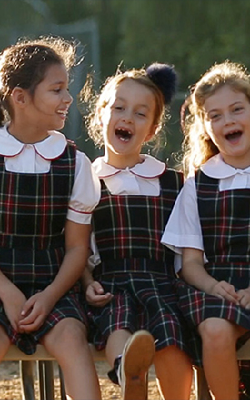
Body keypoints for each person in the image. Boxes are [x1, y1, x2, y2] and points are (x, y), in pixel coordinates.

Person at [0, 36, 102, 400]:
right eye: (57, 90)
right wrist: (9, 294)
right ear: (20, 97)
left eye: (67, 89)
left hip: (55, 284)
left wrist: (48, 297)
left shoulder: (75, 162)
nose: (68, 98)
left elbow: (77, 248)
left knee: (72, 340)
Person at [82, 63, 198, 400]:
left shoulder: (173, 182)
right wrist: (88, 285)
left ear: (151, 129)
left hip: (162, 282)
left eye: (140, 113)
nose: (127, 118)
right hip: (111, 281)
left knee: (171, 337)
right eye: (118, 108)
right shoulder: (87, 181)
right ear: (100, 115)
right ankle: (127, 371)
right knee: (116, 321)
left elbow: (185, 248)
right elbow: (77, 247)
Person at [162, 60, 250, 400]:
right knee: (214, 331)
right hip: (219, 288)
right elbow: (190, 264)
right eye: (215, 115)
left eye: (236, 110)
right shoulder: (198, 184)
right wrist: (215, 287)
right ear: (205, 125)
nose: (227, 120)